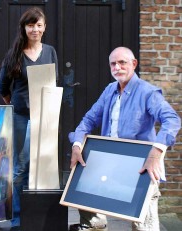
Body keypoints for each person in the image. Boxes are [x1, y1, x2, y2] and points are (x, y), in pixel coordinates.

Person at [68, 47, 181, 231]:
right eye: (113, 63)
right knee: (83, 173)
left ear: (134, 64)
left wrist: (156, 153)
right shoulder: (109, 90)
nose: (117, 67)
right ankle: (94, 224)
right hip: (110, 159)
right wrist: (77, 144)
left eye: (122, 62)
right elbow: (89, 120)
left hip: (140, 163)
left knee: (144, 225)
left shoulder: (148, 92)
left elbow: (172, 120)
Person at [0, 7, 58, 230]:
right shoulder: (14, 54)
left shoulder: (50, 51)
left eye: (39, 25)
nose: (35, 29)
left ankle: (39, 217)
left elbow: (53, 82)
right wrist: (16, 105)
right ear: (24, 28)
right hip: (22, 118)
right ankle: (16, 218)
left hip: (45, 117)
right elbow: (2, 87)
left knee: (42, 166)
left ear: (44, 27)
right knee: (20, 168)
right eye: (30, 25)